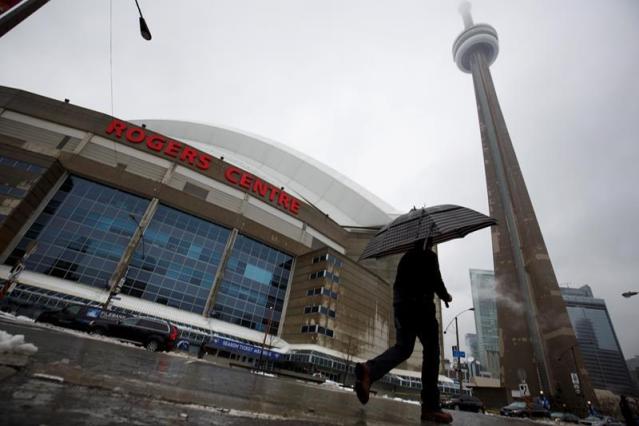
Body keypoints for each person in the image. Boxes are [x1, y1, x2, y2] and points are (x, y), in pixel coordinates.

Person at [354, 239, 454, 423]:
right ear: (428, 240)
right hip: (422, 309)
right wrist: (446, 296)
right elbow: (436, 282)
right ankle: (430, 407)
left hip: (402, 308)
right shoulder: (429, 256)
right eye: (431, 239)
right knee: (432, 353)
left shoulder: (406, 258)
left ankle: (370, 369)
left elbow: (398, 287)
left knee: (403, 348)